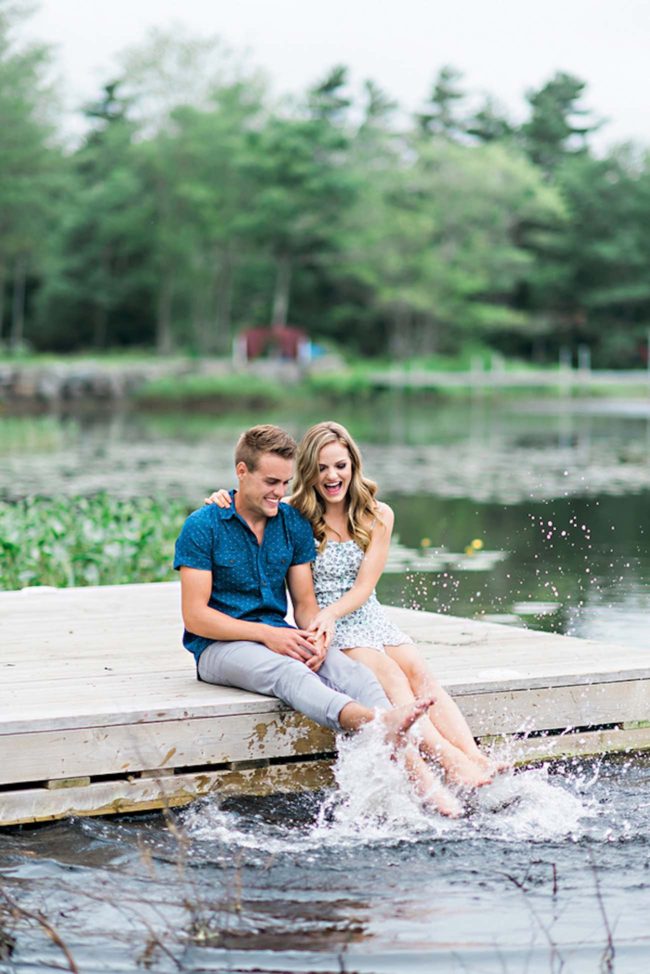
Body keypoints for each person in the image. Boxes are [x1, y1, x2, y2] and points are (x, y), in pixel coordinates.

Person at [174, 424, 458, 816]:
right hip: (218, 647)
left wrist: (317, 634)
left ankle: (414, 764)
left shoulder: (290, 523)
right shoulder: (203, 526)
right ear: (242, 473)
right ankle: (371, 722)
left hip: (279, 635)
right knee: (290, 674)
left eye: (285, 482)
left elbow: (305, 605)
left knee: (352, 673)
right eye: (270, 482)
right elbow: (196, 616)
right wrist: (267, 634)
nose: (278, 492)